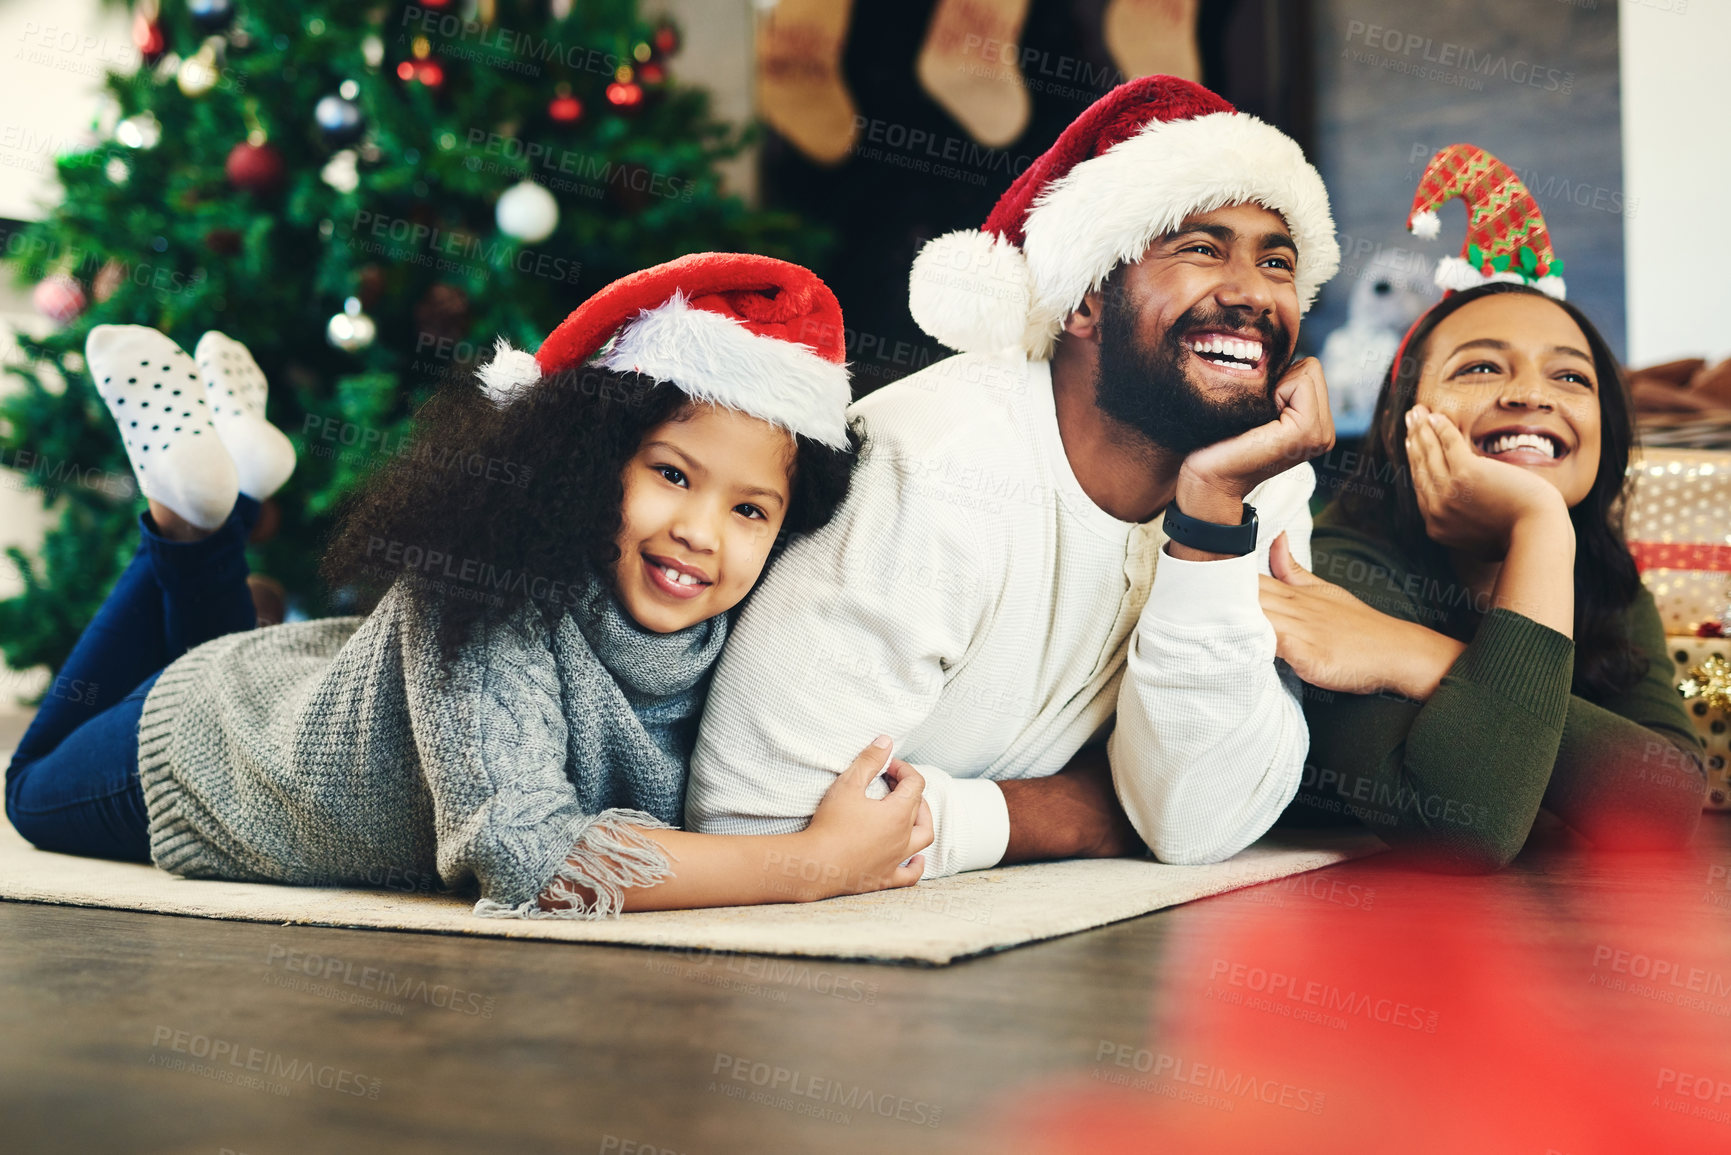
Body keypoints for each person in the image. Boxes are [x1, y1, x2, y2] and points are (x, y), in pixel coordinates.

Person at [5, 254, 933, 917]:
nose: (700, 532)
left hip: (301, 679)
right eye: (673, 475)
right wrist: (813, 865)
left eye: (751, 510)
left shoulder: (749, 626)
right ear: (591, 455)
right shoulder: (491, 589)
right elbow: (526, 854)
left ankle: (217, 499)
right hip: (217, 752)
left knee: (217, 647)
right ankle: (192, 520)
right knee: (30, 791)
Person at [687, 76, 1343, 874]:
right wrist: (1084, 814)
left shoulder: (1259, 478)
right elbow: (752, 824)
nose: (1250, 293)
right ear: (1082, 302)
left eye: (1278, 263)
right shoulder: (931, 463)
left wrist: (1210, 519)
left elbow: (1194, 824)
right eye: (1199, 248)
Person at [1261, 146, 1705, 872]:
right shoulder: (1335, 560)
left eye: (1569, 375)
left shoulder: (1594, 568)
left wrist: (1413, 652)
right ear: (1402, 415)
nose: (1531, 394)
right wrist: (1539, 527)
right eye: (1479, 366)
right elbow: (1463, 829)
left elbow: (1664, 808)